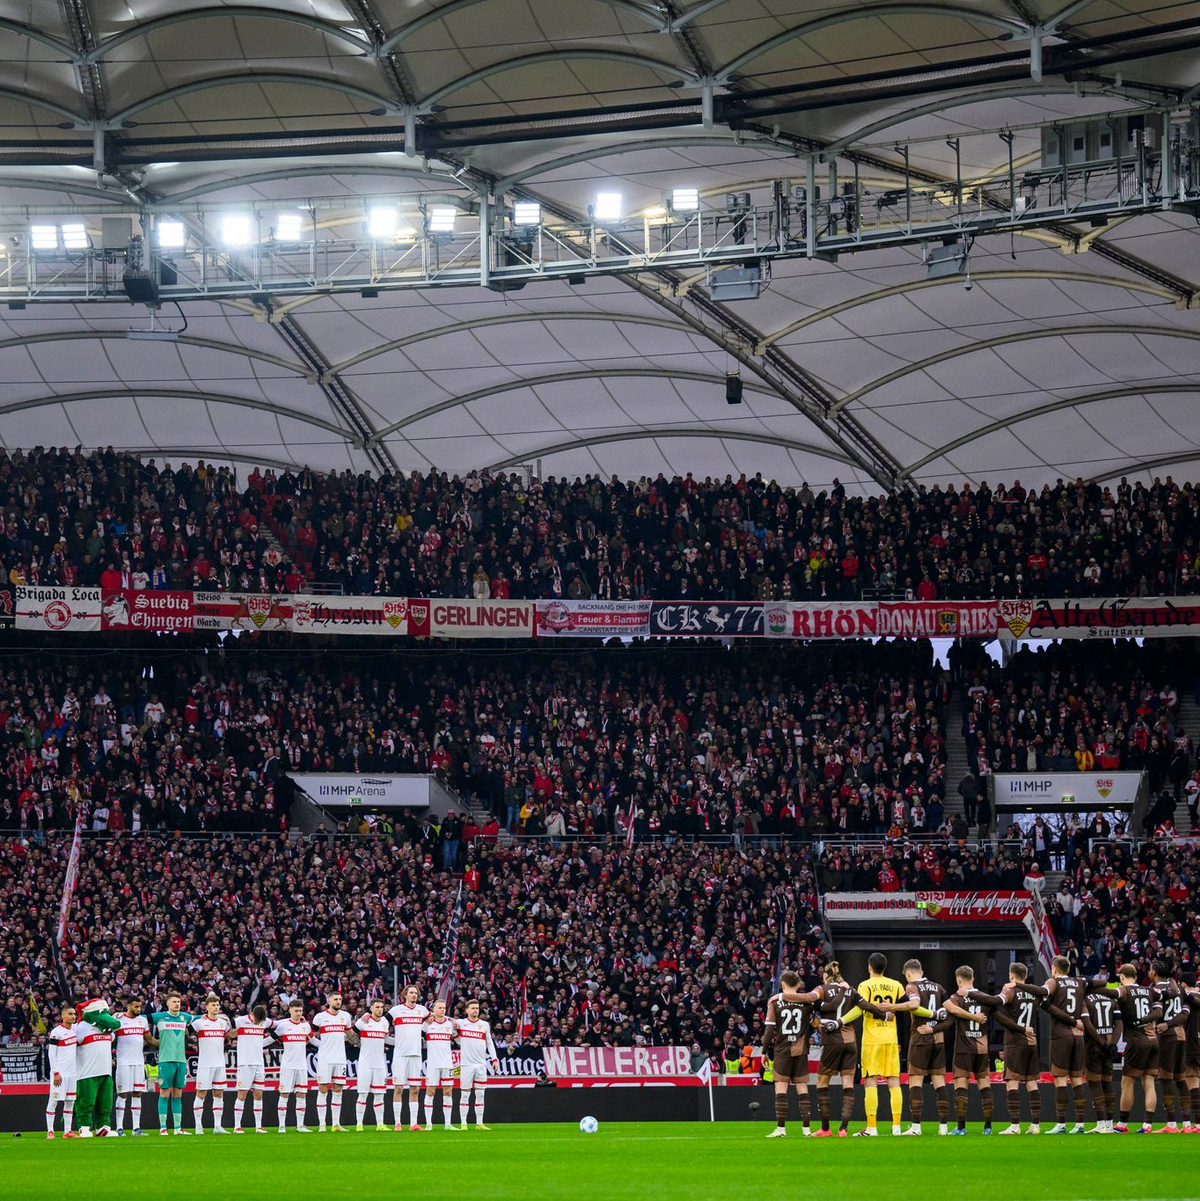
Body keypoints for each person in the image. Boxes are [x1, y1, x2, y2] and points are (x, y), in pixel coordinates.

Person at [977, 963, 1048, 1134]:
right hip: (1031, 1042)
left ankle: (1015, 1125)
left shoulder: (1010, 990)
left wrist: (974, 996)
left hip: (1014, 1042)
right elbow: (1045, 1000)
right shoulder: (1034, 992)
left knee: (1012, 1082)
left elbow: (995, 1001)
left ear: (1011, 976)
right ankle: (1035, 1125)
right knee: (1032, 1083)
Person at [762, 969, 819, 1138]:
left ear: (783, 984)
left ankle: (780, 1129)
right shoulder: (807, 1002)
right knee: (802, 1090)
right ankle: (806, 1130)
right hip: (801, 1050)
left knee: (781, 1089)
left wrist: (764, 1051)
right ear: (799, 985)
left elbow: (769, 1029)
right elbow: (815, 1023)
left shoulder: (775, 1002)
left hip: (782, 1051)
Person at [895, 958, 949, 1135]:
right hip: (938, 1039)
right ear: (922, 972)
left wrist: (892, 1006)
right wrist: (935, 1026)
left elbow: (914, 1004)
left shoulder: (911, 986)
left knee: (915, 1081)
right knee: (939, 1081)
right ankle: (943, 1127)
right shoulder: (939, 987)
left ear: (909, 974)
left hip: (920, 1037)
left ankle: (916, 1127)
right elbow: (950, 1012)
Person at [855, 952, 905, 1136]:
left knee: (870, 1082)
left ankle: (872, 1127)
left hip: (871, 1040)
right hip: (891, 1038)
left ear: (869, 967)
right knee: (894, 1082)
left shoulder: (864, 985)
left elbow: (863, 1006)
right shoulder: (896, 985)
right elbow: (907, 1006)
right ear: (885, 967)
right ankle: (897, 1127)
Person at [1042, 955, 1093, 1134]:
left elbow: (1044, 993)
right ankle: (1080, 1124)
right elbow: (1099, 984)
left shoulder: (1053, 982)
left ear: (1055, 969)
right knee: (1077, 1079)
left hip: (1061, 1036)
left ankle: (1061, 1124)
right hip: (1078, 1036)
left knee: (1061, 1079)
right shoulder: (1079, 982)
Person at [942, 966, 996, 1135]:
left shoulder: (957, 997)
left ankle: (961, 1128)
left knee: (961, 1084)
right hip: (982, 1047)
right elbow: (999, 1015)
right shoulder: (985, 998)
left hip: (963, 1047)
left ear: (958, 980)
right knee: (984, 1084)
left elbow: (951, 1010)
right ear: (973, 978)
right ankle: (988, 1127)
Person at [1112, 963, 1162, 1134]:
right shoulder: (1149, 990)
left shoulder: (1124, 991)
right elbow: (1162, 1004)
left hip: (1136, 1040)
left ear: (1122, 976)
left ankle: (1122, 1124)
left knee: (1127, 1082)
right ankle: (1147, 1125)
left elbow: (1110, 993)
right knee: (1149, 1082)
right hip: (1153, 1039)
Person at [1150, 957, 1190, 1133]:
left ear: (1154, 972)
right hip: (1181, 1035)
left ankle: (1172, 1124)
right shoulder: (1180, 989)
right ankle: (1187, 1124)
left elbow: (1156, 1013)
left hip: (1167, 1037)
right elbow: (1184, 1014)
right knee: (1181, 1079)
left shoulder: (1155, 990)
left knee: (1166, 1078)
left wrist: (1166, 1024)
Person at [148, 992, 196, 1135]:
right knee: (164, 1093)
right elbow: (143, 1018)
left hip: (180, 1061)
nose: (177, 1004)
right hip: (165, 1060)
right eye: (174, 1001)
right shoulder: (160, 1017)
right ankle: (163, 1127)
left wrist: (218, 1017)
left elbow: (200, 1019)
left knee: (177, 1095)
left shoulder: (184, 1017)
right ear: (167, 1003)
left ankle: (177, 1128)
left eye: (179, 1001)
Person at [73, 997, 120, 1137]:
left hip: (106, 1071)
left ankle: (103, 1127)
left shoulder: (109, 1030)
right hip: (87, 1073)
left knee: (105, 1103)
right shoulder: (80, 1028)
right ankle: (84, 1126)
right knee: (86, 1102)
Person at [388, 985, 429, 1131]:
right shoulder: (396, 1010)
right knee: (398, 1088)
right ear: (405, 995)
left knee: (415, 1089)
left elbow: (435, 1017)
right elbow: (381, 1021)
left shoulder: (422, 1010)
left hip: (416, 1054)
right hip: (400, 1055)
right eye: (411, 993)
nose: (414, 995)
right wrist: (368, 1015)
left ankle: (413, 1124)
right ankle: (397, 1123)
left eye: (416, 993)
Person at [454, 998, 499, 1130]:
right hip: (466, 1065)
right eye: (473, 1008)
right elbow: (449, 1025)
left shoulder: (484, 1025)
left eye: (477, 1008)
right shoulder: (461, 1023)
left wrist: (494, 1059)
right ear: (467, 1010)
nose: (475, 1010)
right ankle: (463, 1123)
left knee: (480, 1094)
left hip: (481, 1064)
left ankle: (479, 1123)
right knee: (465, 1094)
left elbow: (490, 1043)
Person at [1082, 983, 1121, 1133]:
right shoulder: (1112, 1000)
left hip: (1094, 1046)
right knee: (1107, 1082)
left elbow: (1088, 1025)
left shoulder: (1085, 999)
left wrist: (1101, 1043)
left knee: (1095, 1083)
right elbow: (1119, 1024)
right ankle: (1110, 1124)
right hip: (1110, 1046)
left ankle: (1100, 1124)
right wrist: (1113, 1045)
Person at [191, 993, 231, 1134]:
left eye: (217, 1005)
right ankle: (198, 1126)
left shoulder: (222, 1023)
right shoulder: (199, 1022)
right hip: (205, 1064)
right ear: (206, 1007)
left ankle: (217, 1126)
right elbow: (185, 1032)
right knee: (201, 1093)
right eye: (213, 1005)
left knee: (219, 1093)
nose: (216, 1007)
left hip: (219, 1064)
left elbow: (231, 1034)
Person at [312, 991, 352, 1132]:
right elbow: (311, 1035)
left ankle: (335, 1124)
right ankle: (322, 1124)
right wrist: (320, 1045)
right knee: (323, 1089)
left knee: (338, 1089)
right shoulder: (320, 1017)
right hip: (325, 1059)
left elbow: (349, 1034)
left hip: (340, 1059)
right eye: (335, 999)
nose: (338, 1002)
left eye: (340, 999)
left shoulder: (346, 1017)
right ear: (329, 1001)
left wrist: (359, 1042)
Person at [272, 998, 314, 1132]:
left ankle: (300, 1125)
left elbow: (312, 1040)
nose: (298, 1013)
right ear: (290, 1010)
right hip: (288, 1066)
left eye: (300, 1011)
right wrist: (256, 1045)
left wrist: (329, 1046)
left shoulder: (305, 1026)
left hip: (302, 1066)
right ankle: (281, 1126)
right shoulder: (283, 1026)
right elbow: (270, 1039)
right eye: (296, 1010)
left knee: (301, 1094)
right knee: (284, 1094)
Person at [231, 1003, 272, 1134]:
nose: (258, 1023)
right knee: (242, 1094)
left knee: (259, 1094)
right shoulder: (240, 1021)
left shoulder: (264, 1021)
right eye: (256, 1020)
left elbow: (278, 1025)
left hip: (259, 1063)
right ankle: (237, 1126)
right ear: (252, 1014)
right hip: (245, 1063)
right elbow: (227, 1026)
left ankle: (258, 1126)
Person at [114, 996, 150, 1136]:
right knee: (122, 1094)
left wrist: (166, 1044)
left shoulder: (143, 1021)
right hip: (124, 1062)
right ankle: (119, 1128)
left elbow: (149, 1039)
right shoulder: (119, 1020)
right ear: (128, 1005)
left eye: (139, 1006)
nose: (138, 1009)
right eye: (135, 1006)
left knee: (137, 1094)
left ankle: (136, 1128)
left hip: (139, 1062)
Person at [353, 998, 391, 1130]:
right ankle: (359, 1124)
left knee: (379, 1095)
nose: (380, 1009)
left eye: (382, 1007)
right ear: (371, 1008)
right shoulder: (363, 1021)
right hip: (365, 1064)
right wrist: (357, 1043)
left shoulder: (385, 1022)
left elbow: (386, 1039)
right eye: (377, 1007)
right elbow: (352, 1034)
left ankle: (380, 1124)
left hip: (380, 1064)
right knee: (362, 1094)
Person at [422, 998, 457, 1130]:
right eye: (439, 1008)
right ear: (433, 1010)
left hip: (447, 1063)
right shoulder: (427, 1024)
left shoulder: (450, 1024)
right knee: (430, 1091)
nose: (442, 1010)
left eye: (443, 1008)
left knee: (448, 1092)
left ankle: (448, 1124)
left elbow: (457, 1037)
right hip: (432, 1064)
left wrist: (452, 1019)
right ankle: (428, 1124)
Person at [47, 1003, 79, 1139]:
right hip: (60, 1073)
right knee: (54, 1101)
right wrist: (55, 1072)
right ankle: (50, 1131)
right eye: (70, 1014)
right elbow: (51, 1053)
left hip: (73, 1073)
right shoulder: (56, 1032)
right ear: (62, 1016)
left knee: (70, 1101)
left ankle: (67, 1131)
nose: (73, 1016)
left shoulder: (75, 1030)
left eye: (74, 1014)